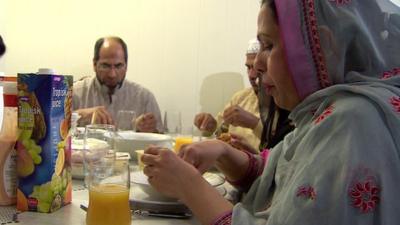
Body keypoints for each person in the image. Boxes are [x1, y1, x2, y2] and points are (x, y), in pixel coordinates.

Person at [141, 0, 400, 224]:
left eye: (268, 46)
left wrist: (189, 186)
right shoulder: (326, 111)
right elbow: (290, 174)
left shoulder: (352, 120)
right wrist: (226, 153)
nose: (259, 65)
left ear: (325, 44)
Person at [73, 36, 163, 132]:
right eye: (105, 66)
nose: (112, 74)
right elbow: (56, 132)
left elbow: (163, 141)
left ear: (126, 65)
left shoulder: (144, 98)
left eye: (118, 66)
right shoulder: (75, 93)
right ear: (94, 65)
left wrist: (146, 131)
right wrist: (80, 115)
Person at [194, 39, 263, 151]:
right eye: (248, 68)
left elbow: (284, 145)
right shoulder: (240, 98)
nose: (251, 75)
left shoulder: (285, 101)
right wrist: (211, 126)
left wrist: (255, 123)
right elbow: (219, 131)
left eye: (256, 68)